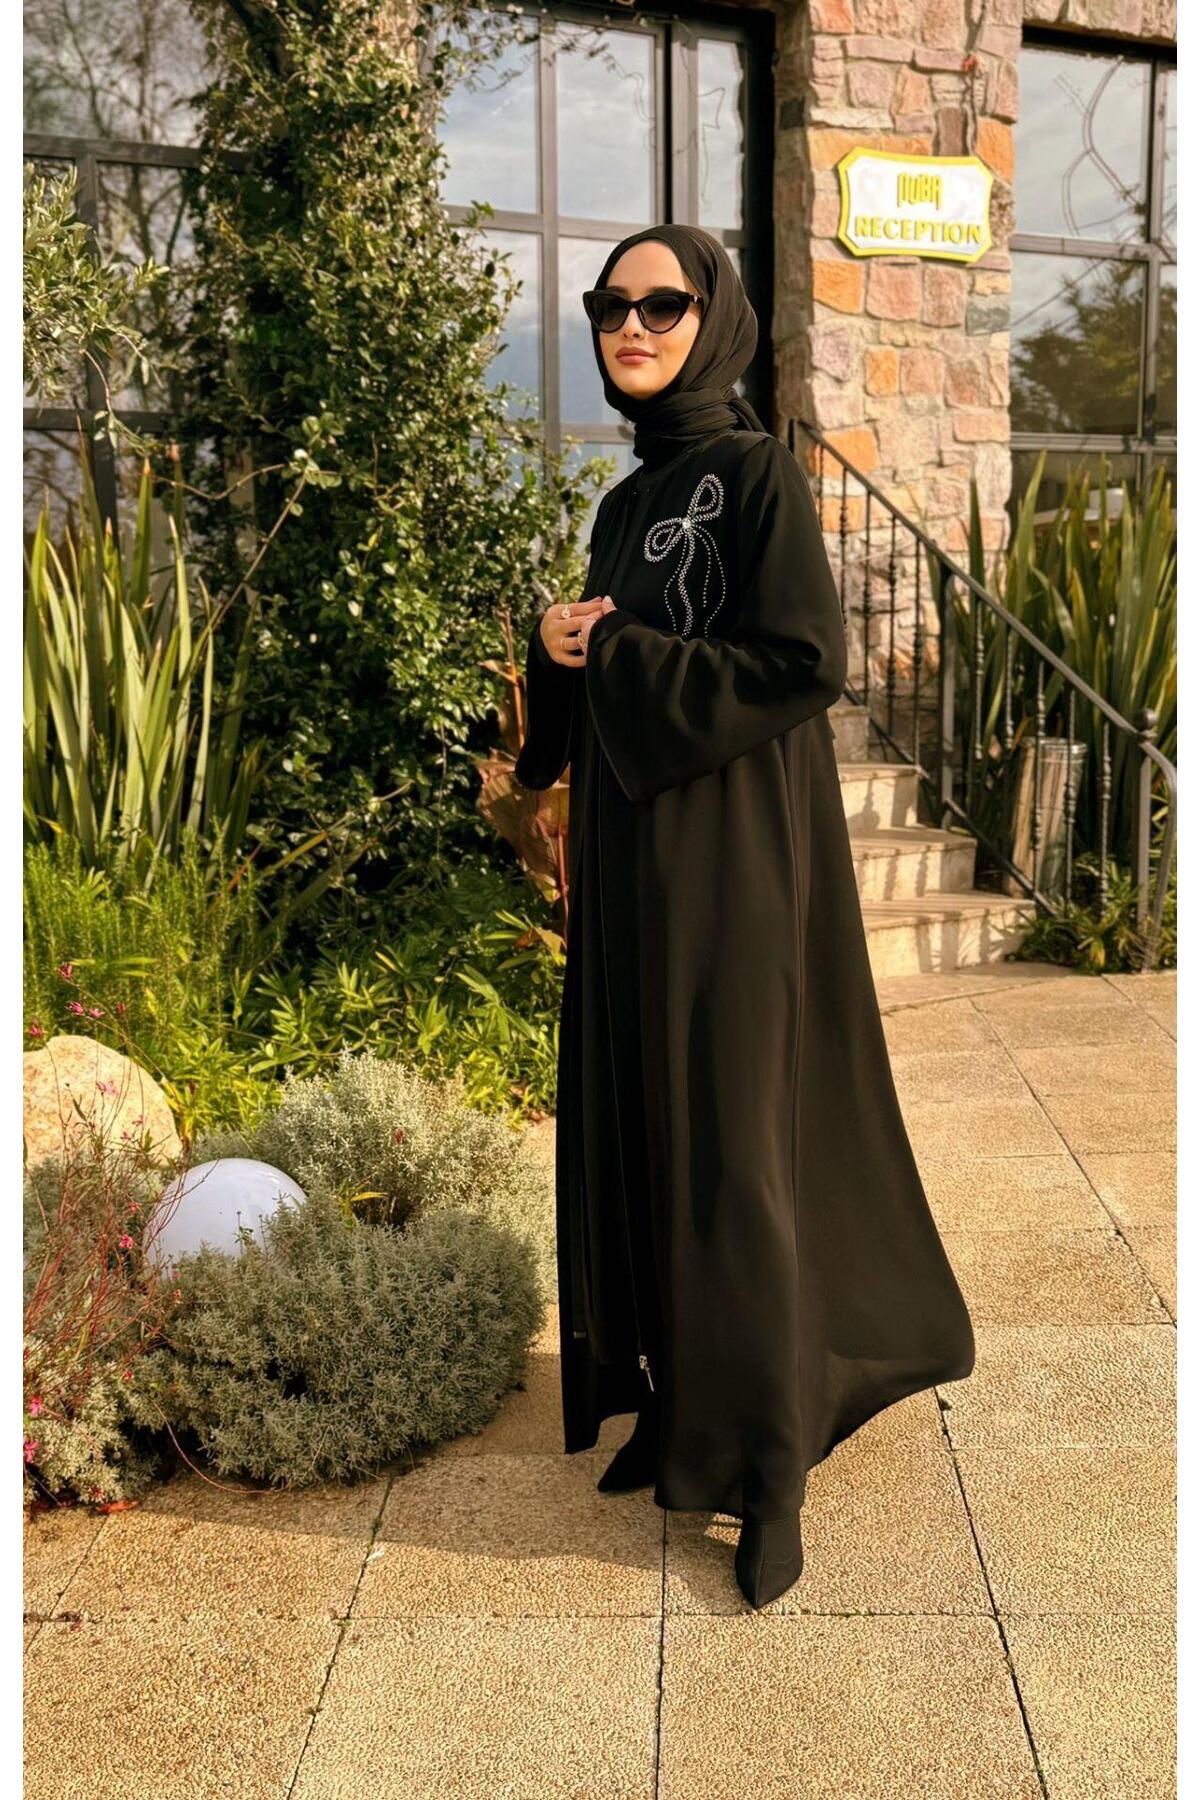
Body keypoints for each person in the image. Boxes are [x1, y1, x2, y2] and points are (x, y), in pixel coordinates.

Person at [513, 223, 975, 1610]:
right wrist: (558, 654)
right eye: (611, 305)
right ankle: (675, 1404)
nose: (631, 325)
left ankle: (768, 1471)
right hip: (633, 871)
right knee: (647, 1130)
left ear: (714, 319)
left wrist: (620, 648)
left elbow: (801, 661)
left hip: (736, 871)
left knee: (733, 1150)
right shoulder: (622, 505)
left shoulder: (759, 474)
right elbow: (597, 688)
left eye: (662, 304)